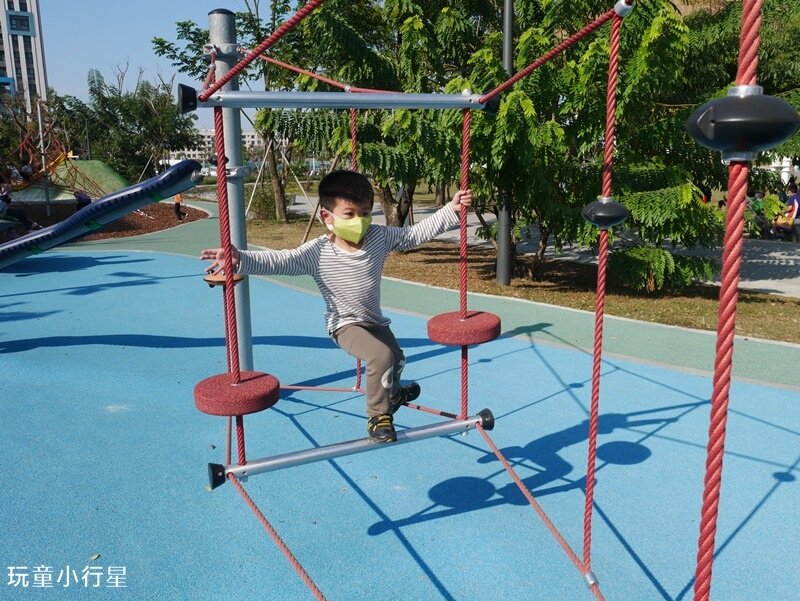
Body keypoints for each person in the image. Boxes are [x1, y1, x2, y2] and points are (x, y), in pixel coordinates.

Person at [201, 170, 473, 443]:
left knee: (397, 358)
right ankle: (378, 416)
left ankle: (394, 394)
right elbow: (280, 260)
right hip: (344, 323)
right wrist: (241, 258)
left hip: (374, 320)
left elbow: (413, 234)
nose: (360, 221)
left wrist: (451, 209)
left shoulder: (379, 237)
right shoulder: (317, 252)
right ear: (326, 217)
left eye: (366, 213)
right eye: (350, 214)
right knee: (381, 356)